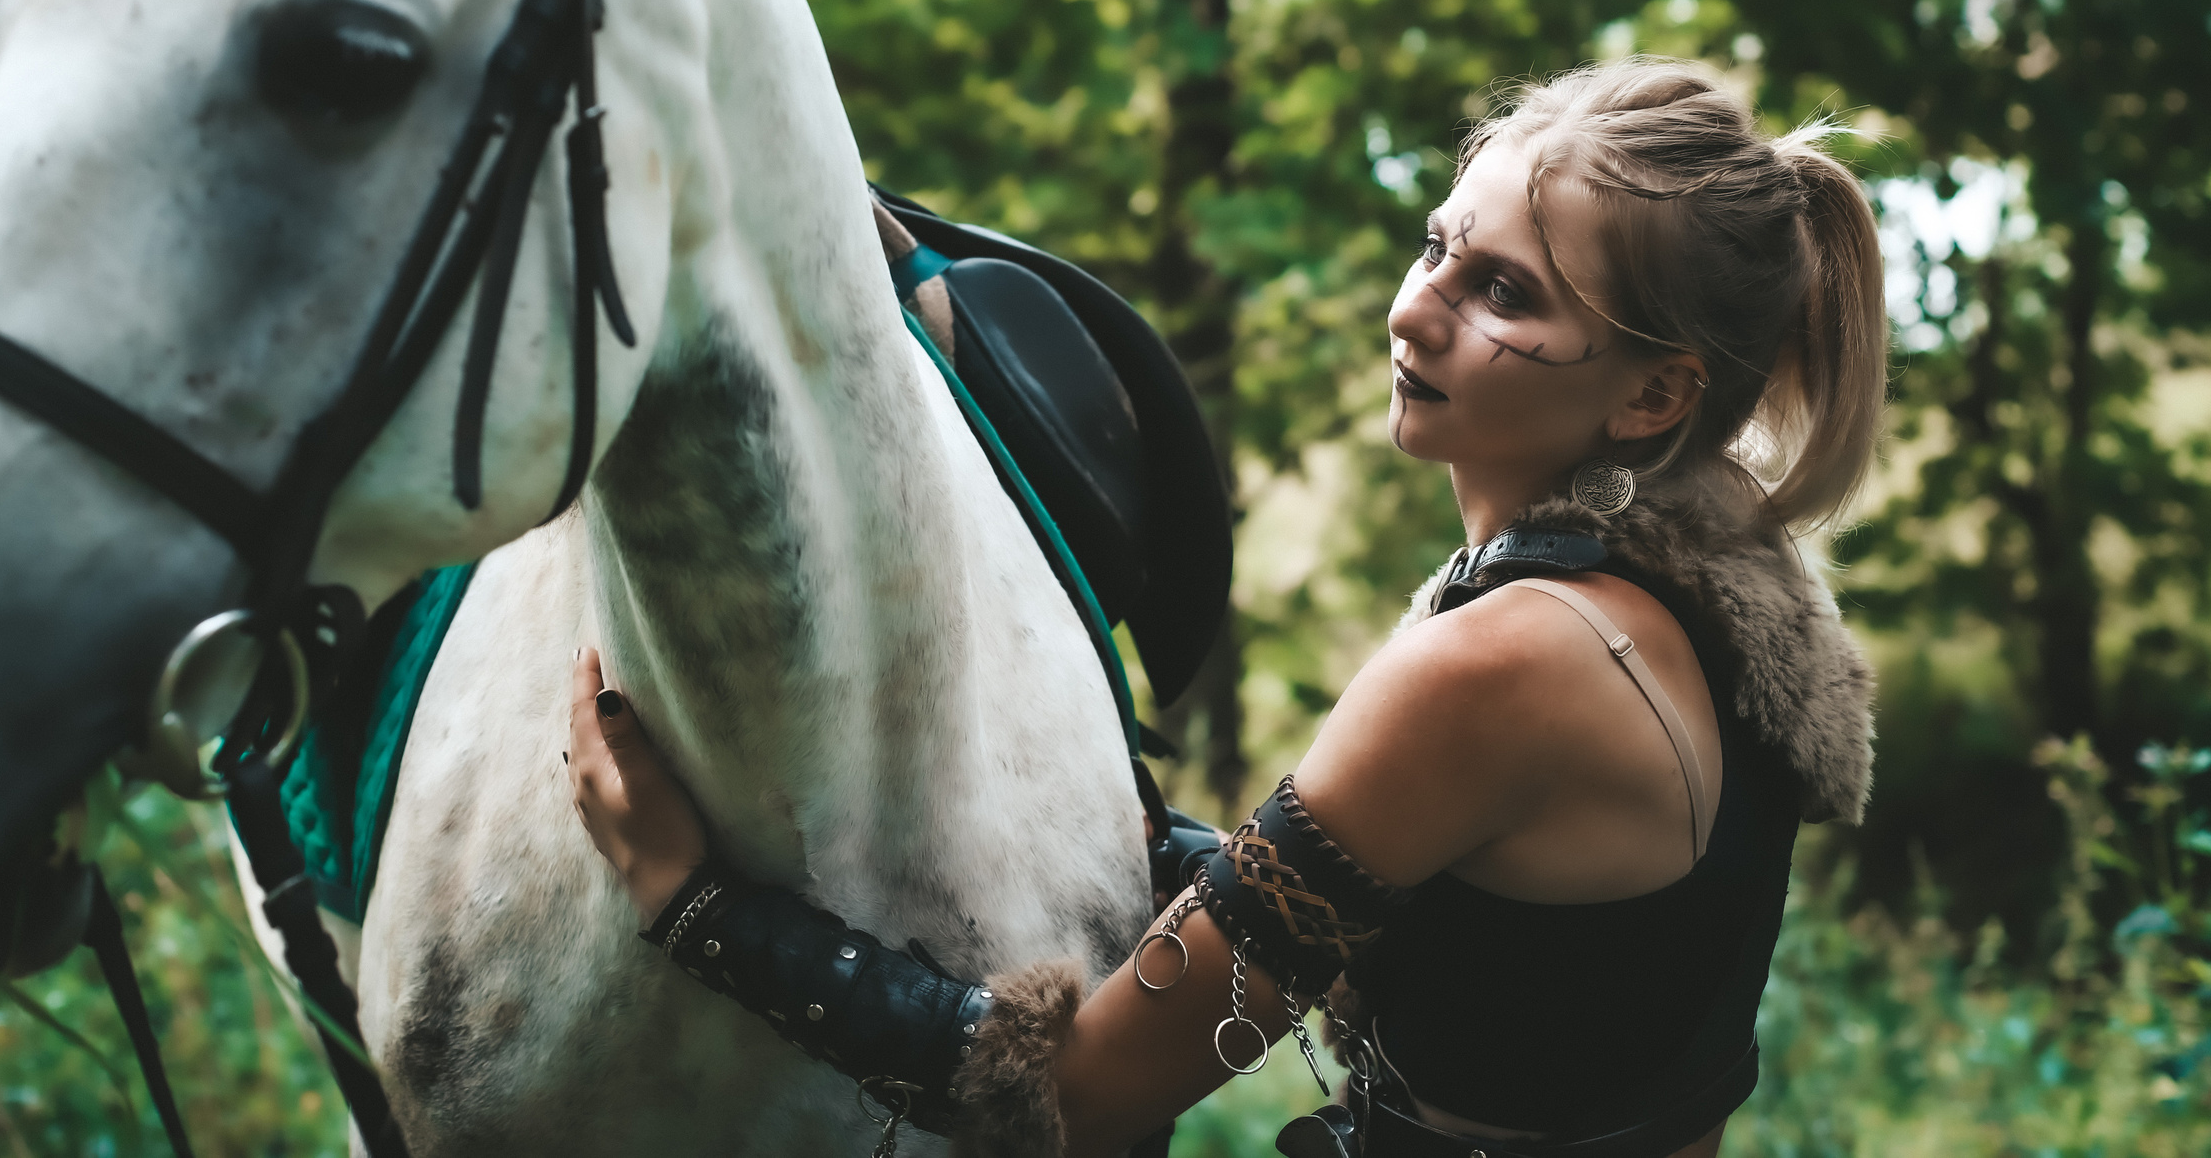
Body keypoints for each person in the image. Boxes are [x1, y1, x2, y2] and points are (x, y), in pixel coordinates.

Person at [568, 57, 1885, 1158]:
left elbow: (1077, 1097)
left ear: (1654, 396)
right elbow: (1519, 974)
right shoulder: (1701, 610)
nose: (1416, 312)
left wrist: (694, 904)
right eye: (1440, 245)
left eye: (1504, 294)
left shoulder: (1506, 662)